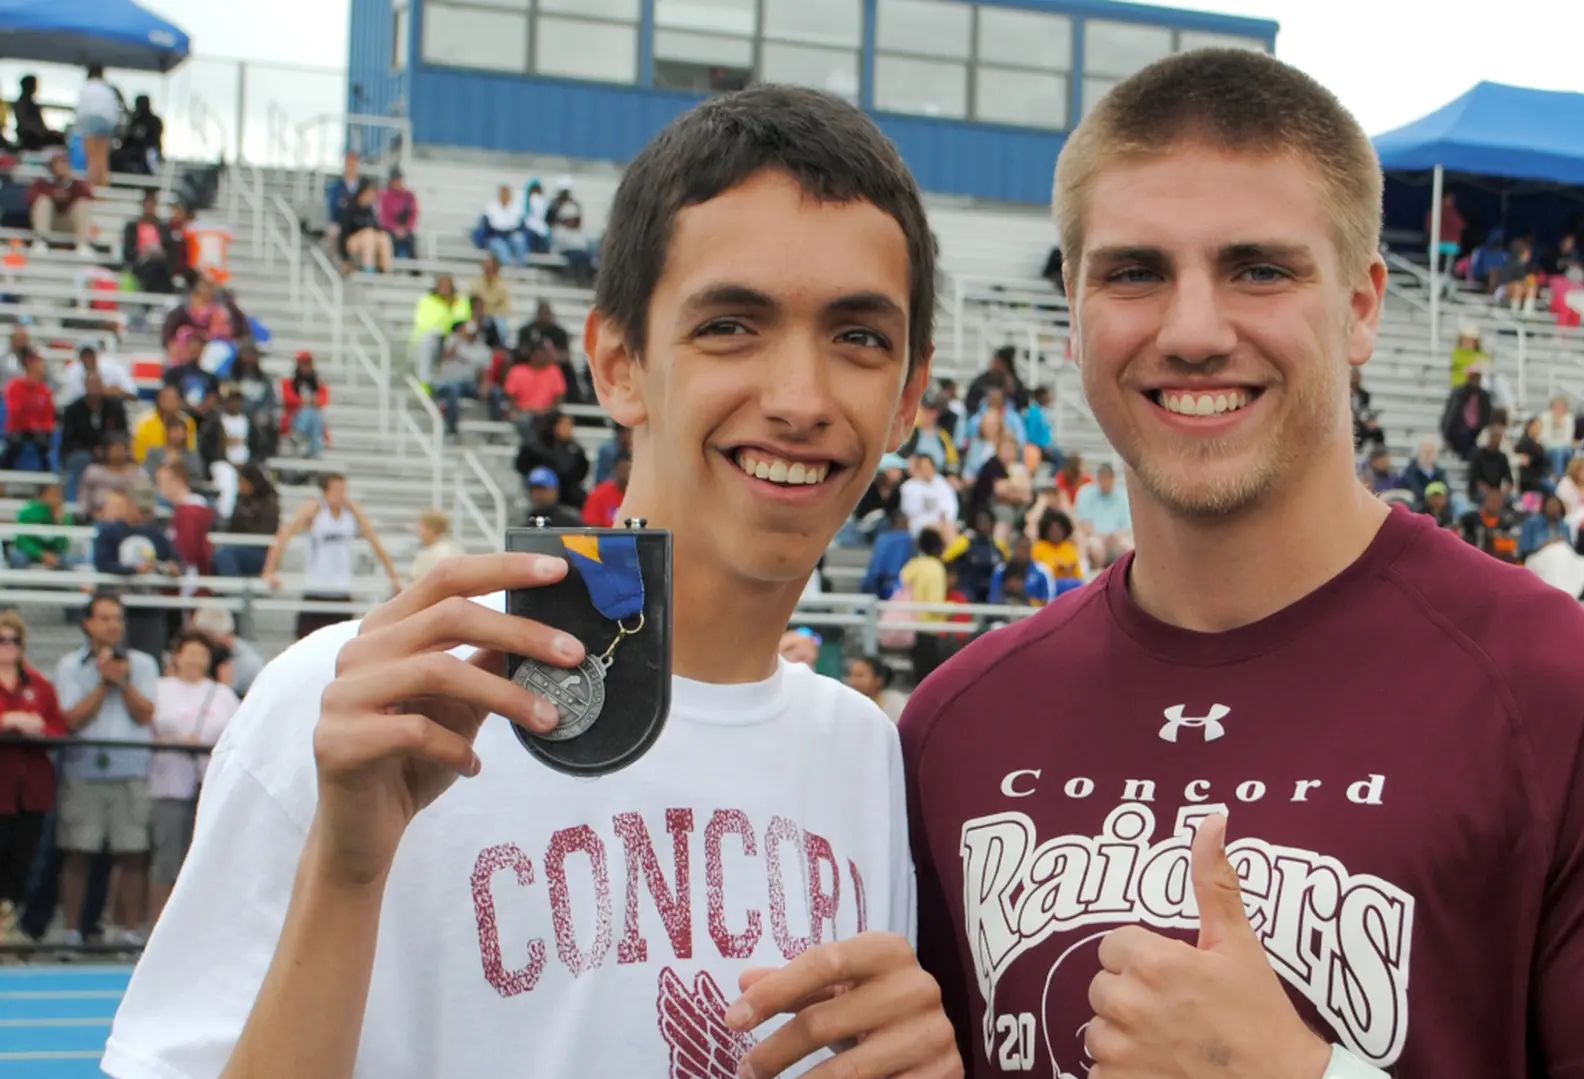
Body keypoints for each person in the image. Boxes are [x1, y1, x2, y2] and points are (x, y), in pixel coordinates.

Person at [898, 49, 1584, 1078]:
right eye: (1136, 271)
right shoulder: (954, 726)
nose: (1192, 329)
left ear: (1363, 305)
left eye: (1260, 269)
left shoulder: (1575, 708)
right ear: (1073, 306)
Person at [104, 85, 960, 1079]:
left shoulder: (866, 753)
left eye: (858, 336)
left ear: (908, 397)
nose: (802, 398)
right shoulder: (356, 702)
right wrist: (346, 876)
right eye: (731, 324)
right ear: (617, 363)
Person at [54, 595, 160, 949]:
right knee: (77, 851)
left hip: (130, 770)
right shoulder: (70, 666)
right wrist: (102, 683)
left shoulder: (143, 663)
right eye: (104, 618)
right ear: (87, 623)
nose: (113, 625)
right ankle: (71, 932)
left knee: (132, 852)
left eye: (118, 618)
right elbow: (70, 718)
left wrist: (123, 682)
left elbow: (145, 714)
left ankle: (130, 933)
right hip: (83, 768)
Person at [145, 631, 239, 927]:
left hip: (208, 783)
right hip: (169, 782)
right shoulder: (160, 689)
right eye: (191, 652)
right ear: (177, 655)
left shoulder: (222, 694)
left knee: (206, 860)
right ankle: (157, 927)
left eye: (202, 653)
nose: (196, 659)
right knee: (166, 859)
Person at [261, 473, 403, 639]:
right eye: (337, 490)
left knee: (342, 645)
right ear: (326, 491)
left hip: (341, 590)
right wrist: (269, 570)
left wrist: (393, 575)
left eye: (344, 490)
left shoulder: (351, 512)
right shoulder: (314, 510)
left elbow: (375, 542)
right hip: (316, 589)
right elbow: (283, 537)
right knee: (306, 642)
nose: (342, 495)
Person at [0, 610, 68, 944]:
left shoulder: (40, 684)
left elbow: (59, 726)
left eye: (14, 640)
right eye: (2, 640)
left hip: (31, 790)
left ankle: (10, 929)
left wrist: (39, 728)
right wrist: (7, 721)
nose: (8, 646)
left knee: (23, 861)